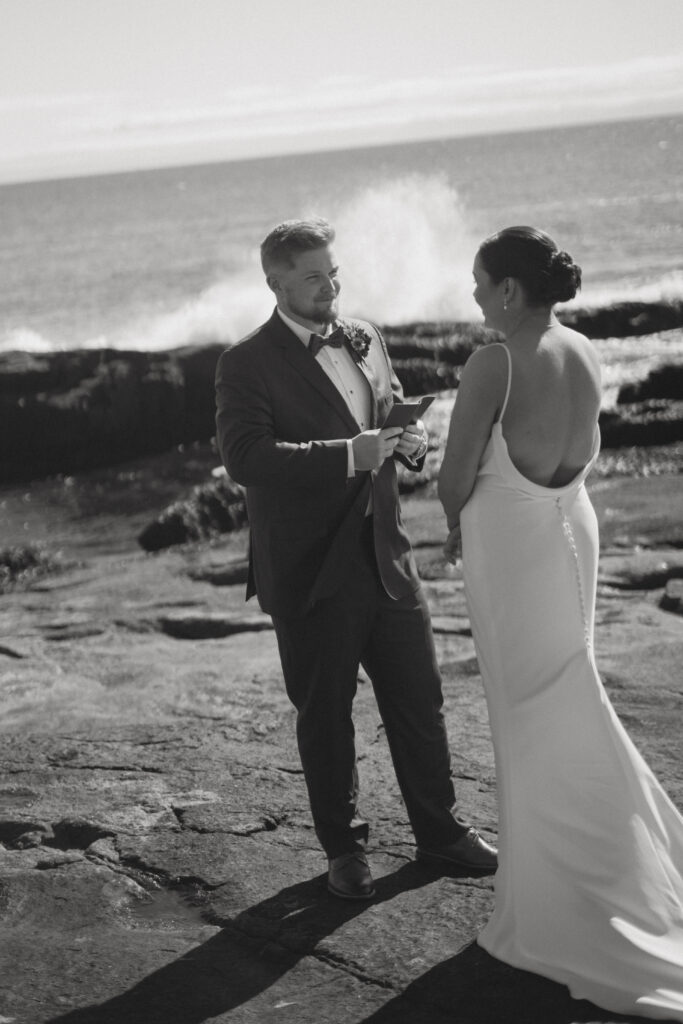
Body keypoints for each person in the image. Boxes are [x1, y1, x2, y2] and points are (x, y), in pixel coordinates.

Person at [438, 225, 683, 1020]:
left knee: (525, 704)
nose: (472, 295)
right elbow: (581, 445)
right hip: (569, 525)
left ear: (509, 290)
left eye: (479, 282)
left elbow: (451, 479)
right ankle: (609, 862)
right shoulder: (583, 348)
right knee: (569, 689)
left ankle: (553, 901)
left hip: (511, 540)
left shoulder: (491, 363)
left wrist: (435, 502)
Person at [215, 217, 497, 900]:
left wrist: (411, 442)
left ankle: (440, 832)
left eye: (332, 273)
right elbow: (244, 459)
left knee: (419, 699)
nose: (329, 287)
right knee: (325, 714)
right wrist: (347, 455)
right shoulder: (244, 363)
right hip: (311, 570)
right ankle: (344, 850)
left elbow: (391, 407)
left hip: (386, 553)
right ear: (276, 283)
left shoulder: (366, 334)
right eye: (313, 277)